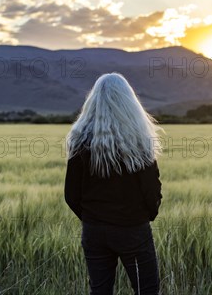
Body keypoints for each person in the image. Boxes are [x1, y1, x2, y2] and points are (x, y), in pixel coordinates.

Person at [64, 72, 163, 295]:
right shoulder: (139, 141)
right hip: (133, 230)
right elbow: (151, 191)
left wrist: (93, 218)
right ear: (129, 102)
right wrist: (143, 216)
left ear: (93, 101)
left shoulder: (80, 141)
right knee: (147, 291)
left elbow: (71, 194)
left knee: (100, 291)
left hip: (94, 231)